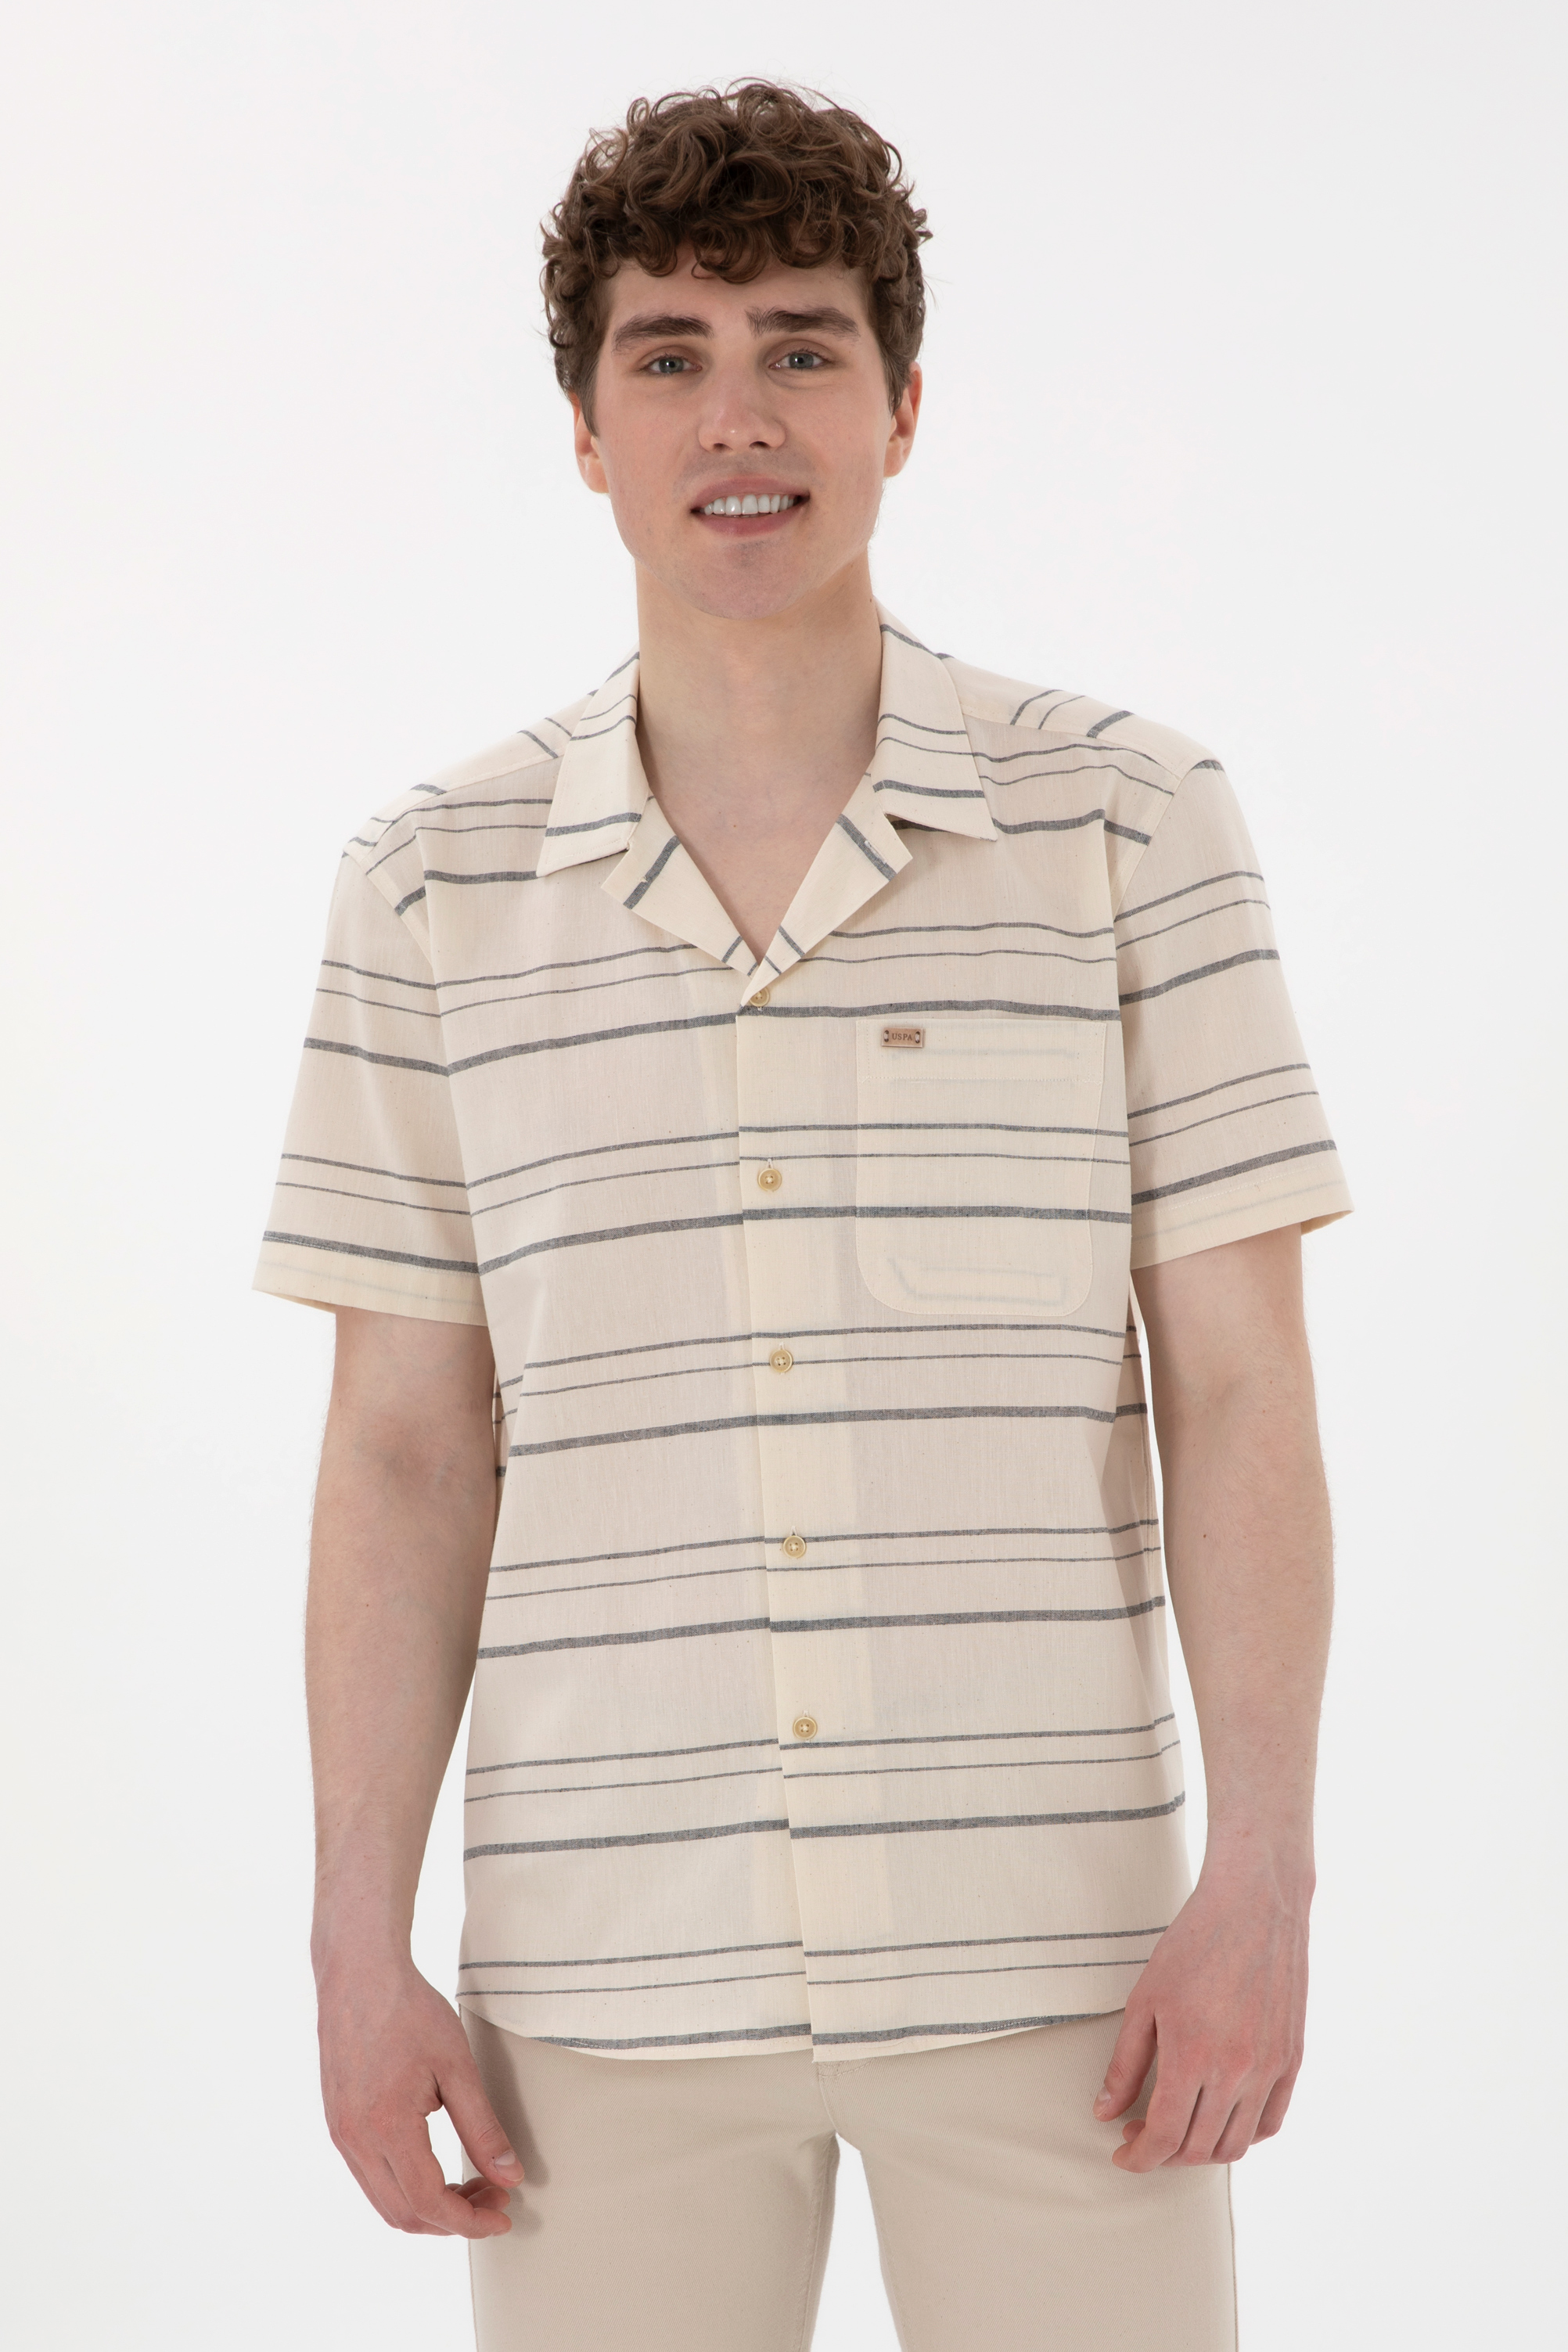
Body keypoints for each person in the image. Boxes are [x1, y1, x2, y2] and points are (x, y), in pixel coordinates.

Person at [255, 79, 1351, 2352]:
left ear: (902, 406)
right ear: (586, 430)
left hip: (1065, 1973)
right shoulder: (431, 885)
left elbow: (1242, 1384)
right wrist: (356, 1937)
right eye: (668, 353)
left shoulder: (1129, 827)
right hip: (602, 1983)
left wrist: (1265, 1873)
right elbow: (402, 1446)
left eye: (800, 346)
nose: (736, 415)